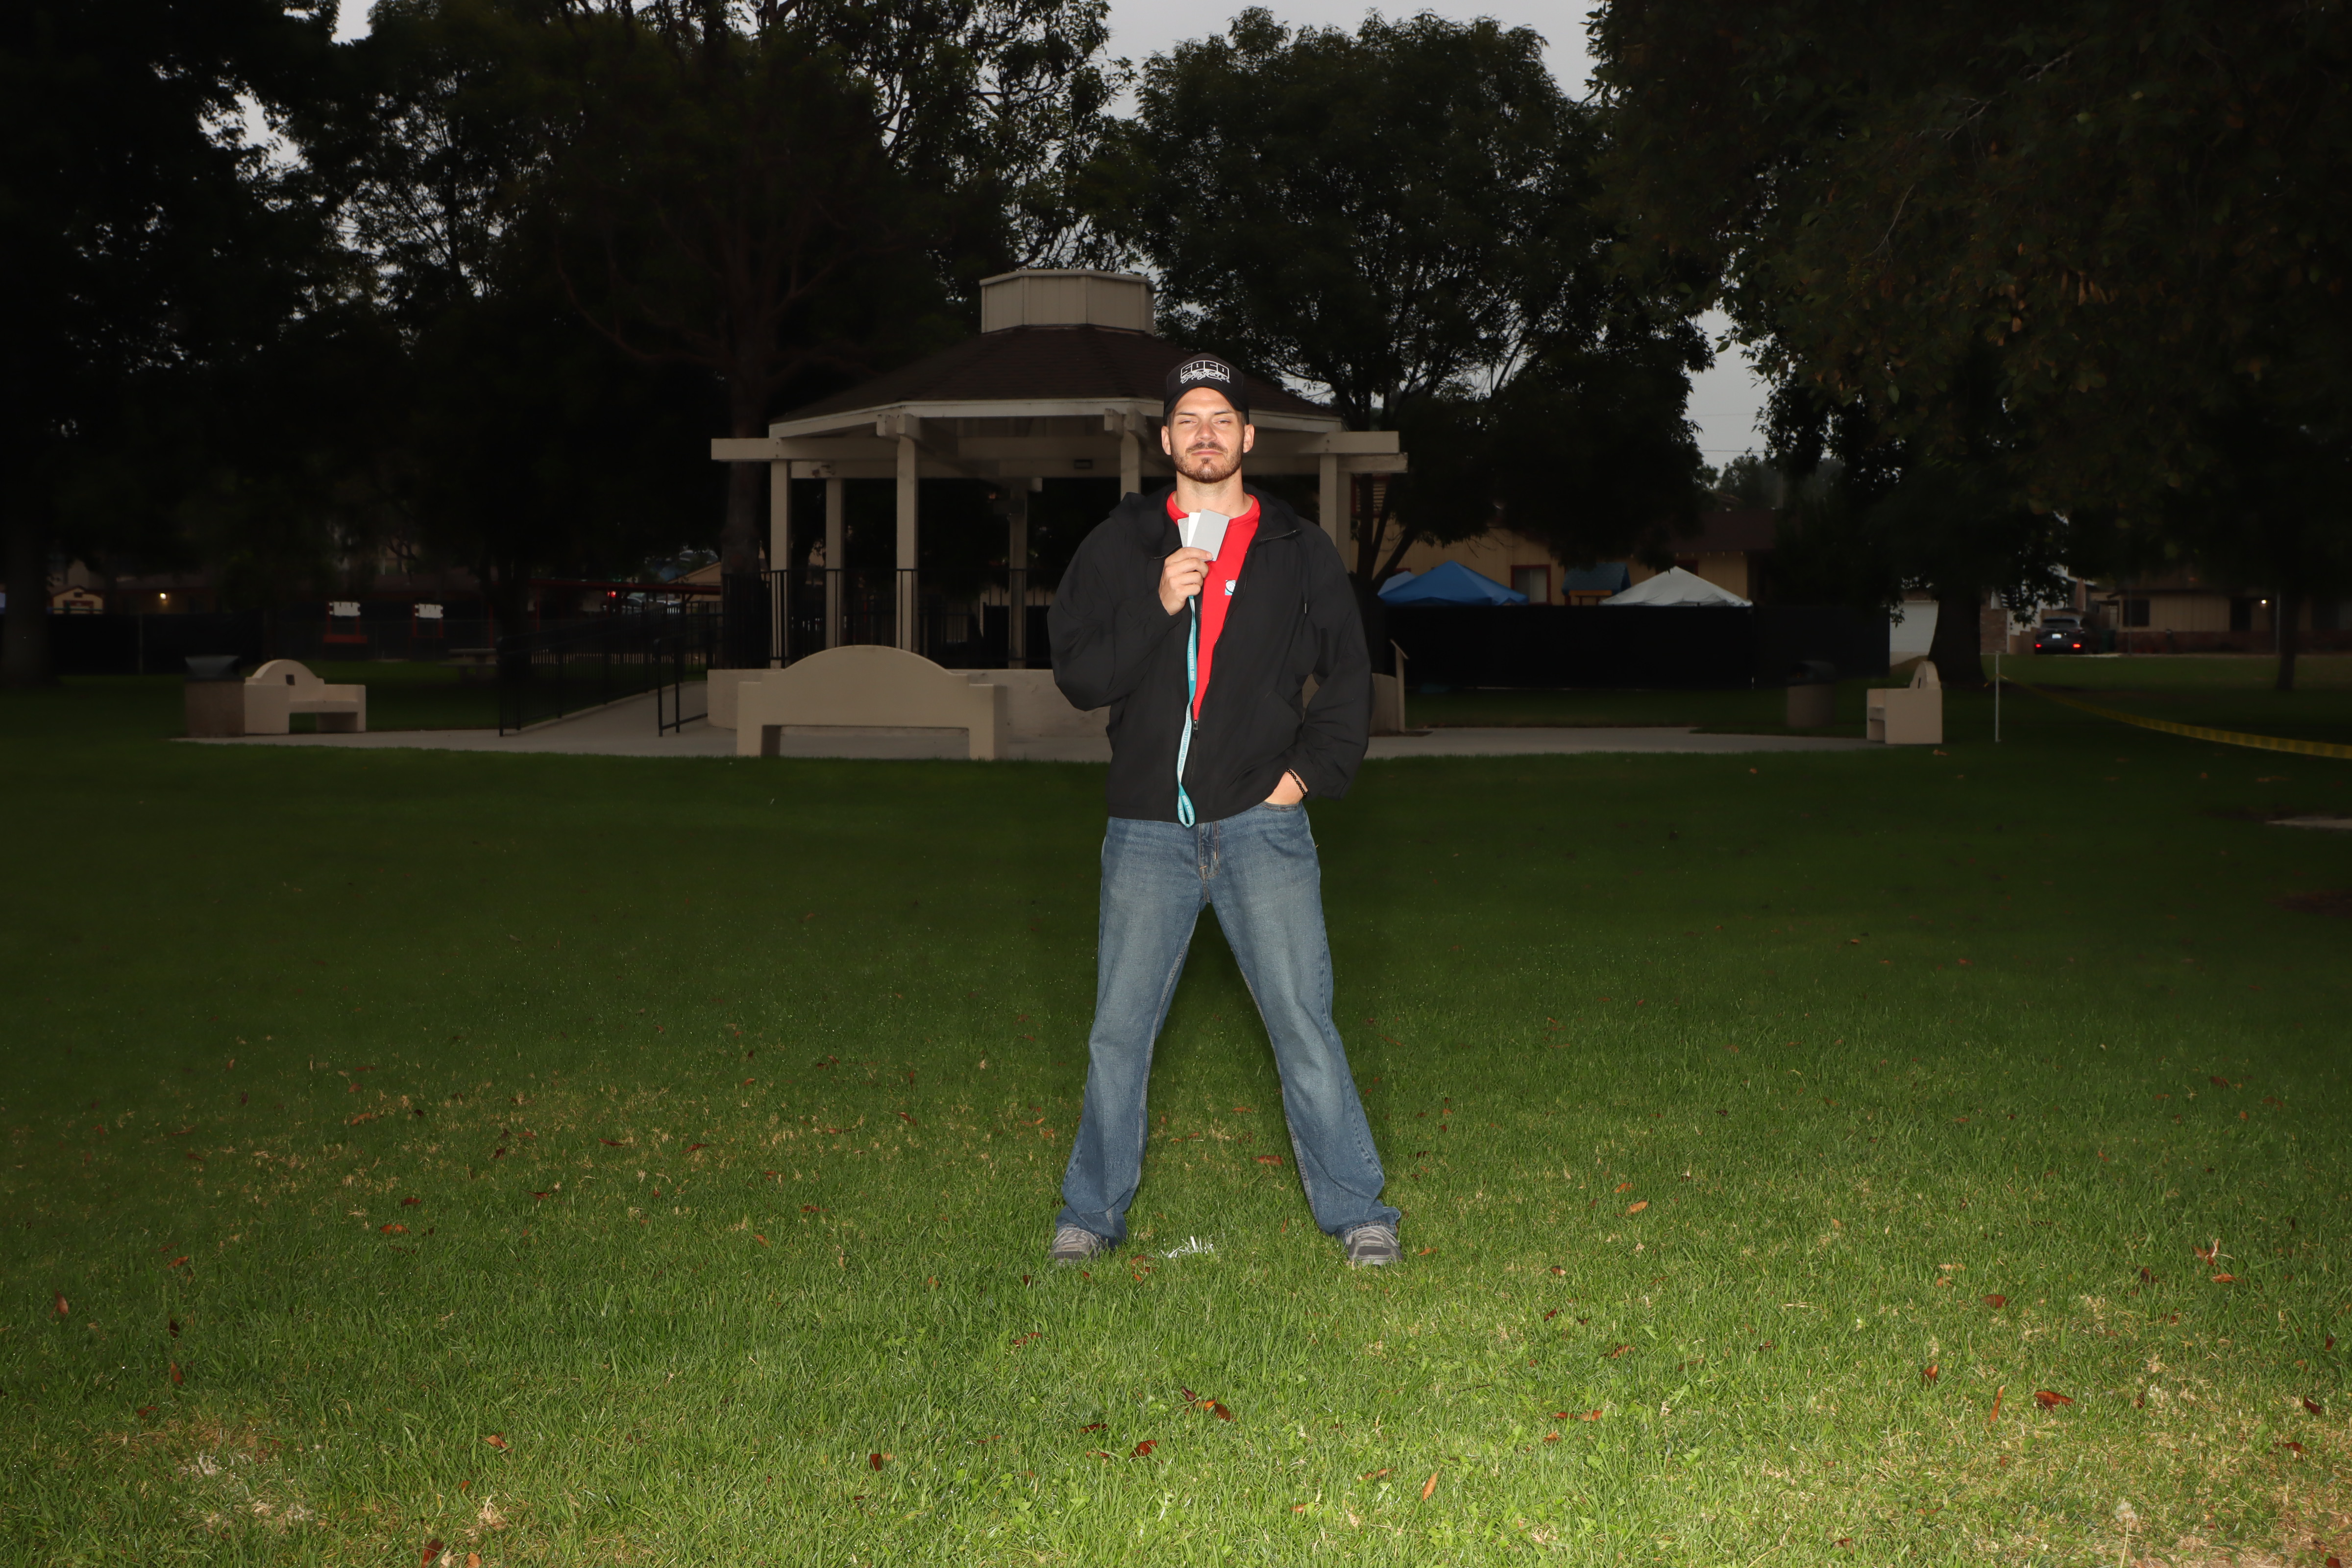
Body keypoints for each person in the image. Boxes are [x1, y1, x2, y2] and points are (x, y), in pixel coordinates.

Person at [1045, 353, 1401, 1269]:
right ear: (1166, 440)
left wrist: (1303, 778)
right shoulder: (1121, 544)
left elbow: (1349, 674)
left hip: (1261, 827)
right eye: (1188, 420)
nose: (1205, 434)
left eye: (1221, 419)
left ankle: (1359, 1211)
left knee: (1303, 1024)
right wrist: (1160, 602)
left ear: (1248, 435)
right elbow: (1080, 674)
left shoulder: (1296, 547)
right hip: (1146, 833)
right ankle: (1090, 1214)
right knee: (1119, 1034)